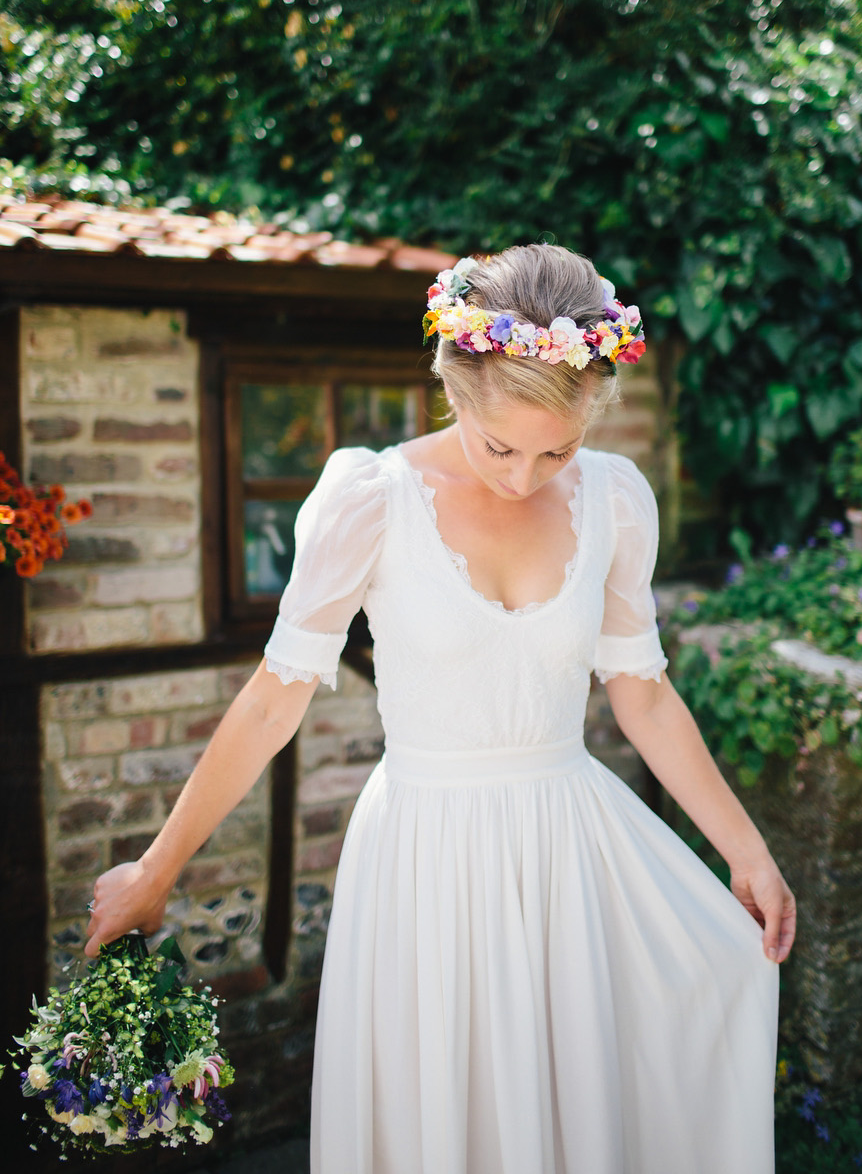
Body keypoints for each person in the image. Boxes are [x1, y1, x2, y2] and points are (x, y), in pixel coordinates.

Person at [85, 244, 796, 1174]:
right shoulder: (371, 500)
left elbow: (646, 697)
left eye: (559, 450)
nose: (524, 477)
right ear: (451, 387)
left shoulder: (617, 499)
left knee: (580, 1102)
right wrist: (156, 870)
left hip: (567, 851)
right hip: (425, 858)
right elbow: (269, 705)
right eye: (501, 445)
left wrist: (748, 851)